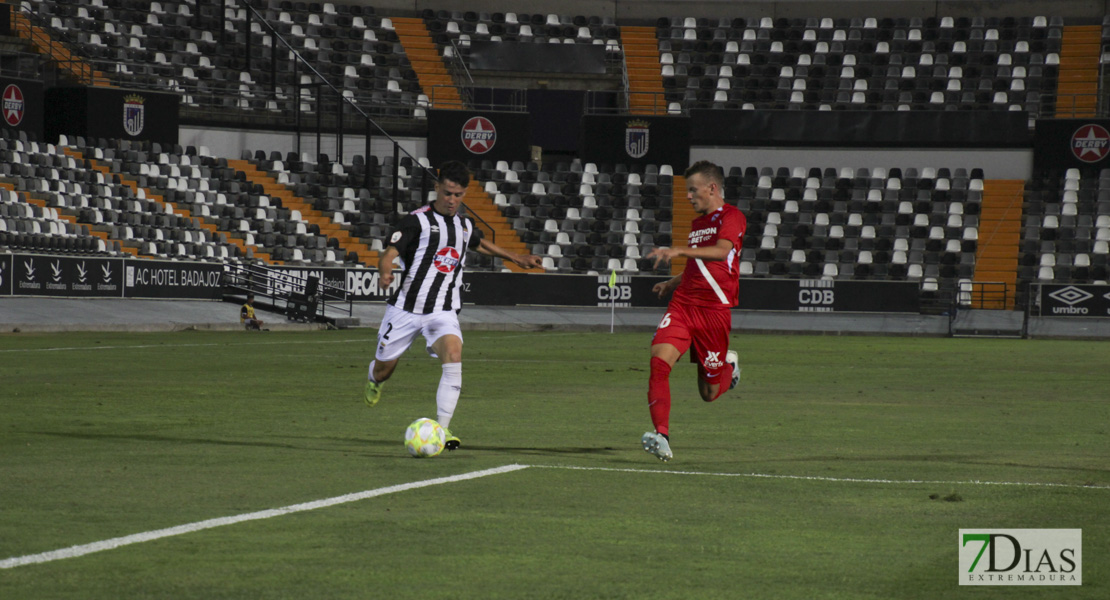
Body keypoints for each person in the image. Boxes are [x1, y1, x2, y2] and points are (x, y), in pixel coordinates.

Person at [363, 160, 544, 450]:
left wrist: (517, 258)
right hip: (406, 309)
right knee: (385, 368)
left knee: (454, 353)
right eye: (448, 193)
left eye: (458, 195)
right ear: (437, 188)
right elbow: (390, 253)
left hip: (442, 310)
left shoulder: (464, 224)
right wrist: (385, 271)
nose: (452, 200)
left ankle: (442, 430)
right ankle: (375, 378)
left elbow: (482, 244)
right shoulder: (415, 221)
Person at [641, 160, 747, 462]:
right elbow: (697, 264)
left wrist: (679, 250)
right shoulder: (697, 224)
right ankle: (661, 435)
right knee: (659, 363)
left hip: (714, 312)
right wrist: (672, 283)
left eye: (693, 190)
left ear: (712, 188)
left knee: (709, 393)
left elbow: (721, 252)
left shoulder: (732, 216)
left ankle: (729, 367)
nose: (688, 196)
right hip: (685, 305)